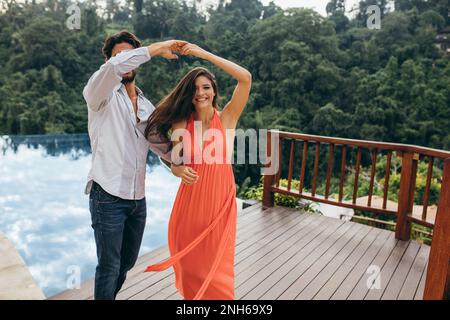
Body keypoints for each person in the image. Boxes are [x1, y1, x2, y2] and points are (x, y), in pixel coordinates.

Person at [82, 30, 187, 300]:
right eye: (119, 55)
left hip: (137, 200)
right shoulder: (100, 93)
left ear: (137, 63)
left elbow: (161, 145)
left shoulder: (145, 106)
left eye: (131, 55)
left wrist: (182, 160)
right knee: (109, 266)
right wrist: (158, 46)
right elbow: (116, 67)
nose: (126, 60)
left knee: (125, 264)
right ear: (108, 60)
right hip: (107, 196)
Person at [144, 43, 252, 300]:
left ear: (214, 91)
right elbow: (163, 147)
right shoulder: (181, 122)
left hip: (220, 205)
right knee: (191, 269)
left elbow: (245, 78)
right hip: (190, 206)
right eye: (194, 89)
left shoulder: (227, 119)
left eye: (206, 87)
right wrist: (176, 169)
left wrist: (202, 54)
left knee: (217, 272)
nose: (200, 93)